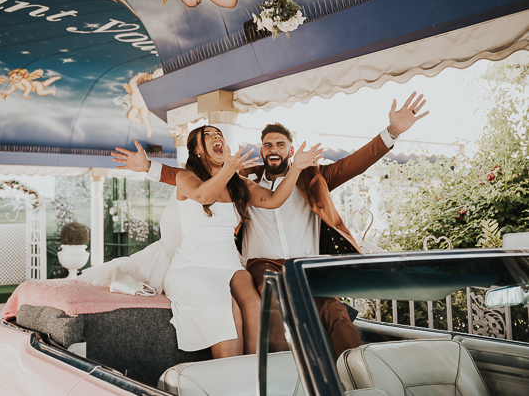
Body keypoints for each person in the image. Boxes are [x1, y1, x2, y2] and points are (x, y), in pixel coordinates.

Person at [112, 91, 428, 358]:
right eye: (267, 145)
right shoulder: (243, 180)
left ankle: (357, 375)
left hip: (305, 270)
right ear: (262, 151)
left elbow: (355, 162)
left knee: (337, 314)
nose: (273, 149)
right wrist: (150, 167)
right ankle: (279, 382)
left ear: (291, 150)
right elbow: (195, 182)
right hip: (263, 268)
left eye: (280, 144)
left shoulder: (314, 178)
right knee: (272, 308)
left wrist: (392, 132)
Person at [165, 125, 321, 359]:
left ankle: (253, 379)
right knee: (229, 311)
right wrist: (227, 169)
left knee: (256, 307)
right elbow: (203, 196)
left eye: (219, 134)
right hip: (192, 265)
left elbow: (274, 199)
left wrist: (296, 168)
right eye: (207, 136)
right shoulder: (186, 177)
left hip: (229, 263)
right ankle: (232, 381)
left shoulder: (240, 184)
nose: (216, 137)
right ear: (197, 150)